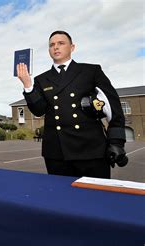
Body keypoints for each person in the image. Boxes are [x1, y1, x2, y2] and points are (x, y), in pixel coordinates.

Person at [16, 30, 127, 178]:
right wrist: (28, 85)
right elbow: (38, 110)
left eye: (61, 43)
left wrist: (116, 143)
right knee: (63, 198)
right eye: (52, 45)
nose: (56, 47)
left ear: (72, 47)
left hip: (91, 149)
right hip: (57, 152)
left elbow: (114, 108)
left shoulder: (91, 71)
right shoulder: (42, 79)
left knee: (95, 198)